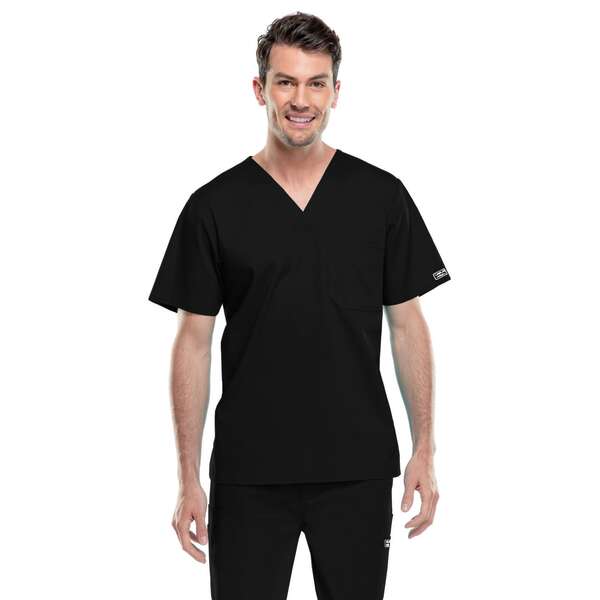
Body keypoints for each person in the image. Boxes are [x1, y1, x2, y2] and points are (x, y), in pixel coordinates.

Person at [148, 11, 451, 600]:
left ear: (336, 91)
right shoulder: (214, 207)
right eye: (285, 82)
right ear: (259, 88)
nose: (301, 100)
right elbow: (193, 342)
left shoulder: (381, 197)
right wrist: (187, 476)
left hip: (357, 467)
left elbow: (407, 324)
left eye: (316, 83)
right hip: (248, 473)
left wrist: (425, 448)